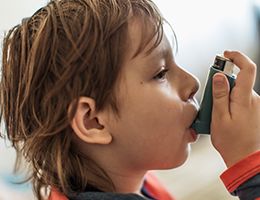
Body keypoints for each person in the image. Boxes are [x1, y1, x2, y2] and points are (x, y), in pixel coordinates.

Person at [0, 0, 259, 199]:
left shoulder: (131, 177)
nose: (193, 83)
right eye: (160, 73)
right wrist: (250, 170)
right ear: (93, 122)